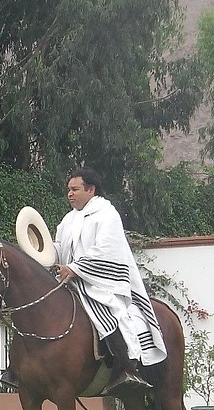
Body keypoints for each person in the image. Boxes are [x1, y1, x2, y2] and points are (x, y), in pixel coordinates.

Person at [54, 168, 165, 394]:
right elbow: (59, 248)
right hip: (71, 282)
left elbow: (106, 251)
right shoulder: (69, 219)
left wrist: (75, 268)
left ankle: (127, 369)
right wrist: (42, 251)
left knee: (109, 315)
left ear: (91, 189)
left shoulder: (107, 214)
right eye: (68, 190)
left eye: (75, 189)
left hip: (101, 284)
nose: (70, 194)